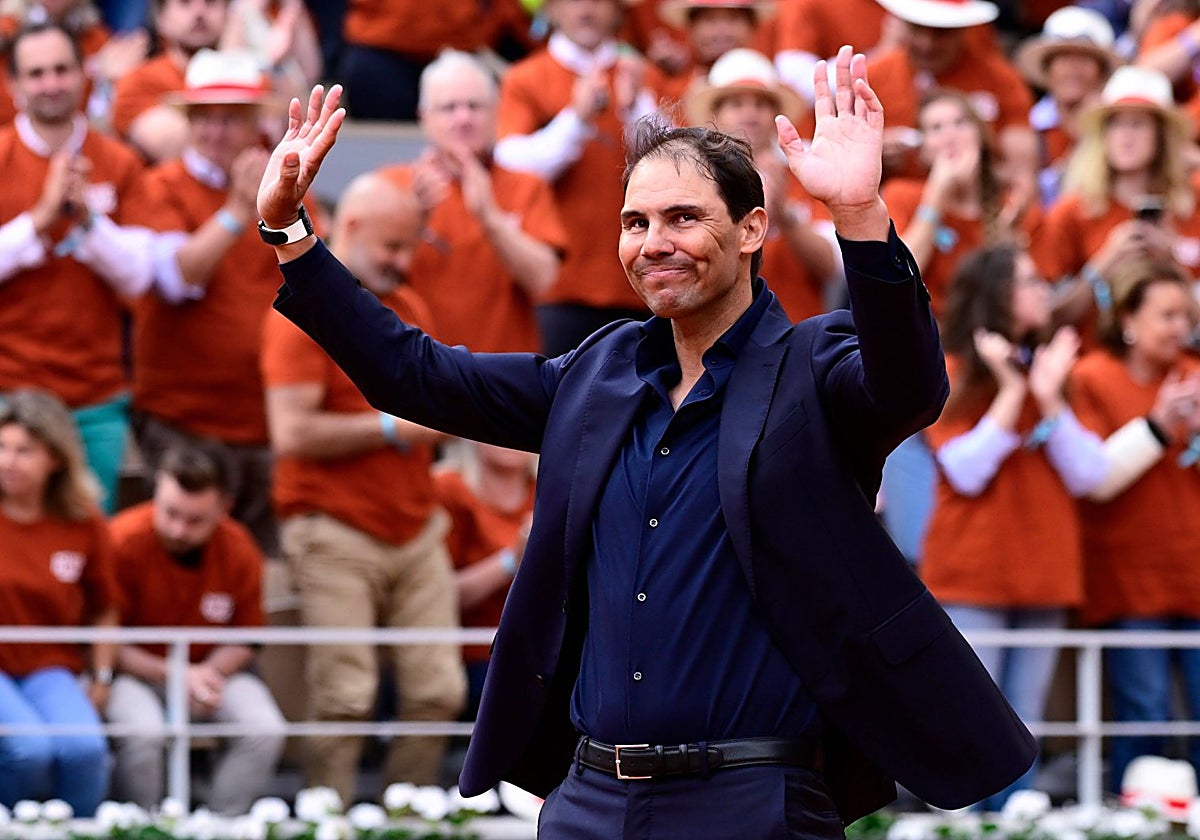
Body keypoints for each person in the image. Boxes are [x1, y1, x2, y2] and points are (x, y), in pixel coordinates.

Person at [257, 46, 1035, 833]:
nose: (653, 242)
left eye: (684, 217)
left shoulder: (813, 364)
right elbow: (414, 376)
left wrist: (861, 218)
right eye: (636, 222)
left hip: (755, 801)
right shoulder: (595, 375)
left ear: (752, 228)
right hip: (590, 801)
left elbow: (910, 386)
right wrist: (290, 232)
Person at [260, 172, 465, 804]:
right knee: (344, 695)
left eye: (409, 247)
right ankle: (332, 818)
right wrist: (391, 427)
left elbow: (435, 408)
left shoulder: (409, 304)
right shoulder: (299, 312)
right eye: (392, 248)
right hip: (331, 525)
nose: (403, 264)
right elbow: (290, 432)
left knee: (438, 691)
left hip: (414, 521)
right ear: (348, 230)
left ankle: (404, 813)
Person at [918, 244, 1102, 810]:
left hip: (1044, 574)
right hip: (973, 574)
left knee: (1025, 723)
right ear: (995, 294)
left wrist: (1046, 398)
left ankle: (1013, 824)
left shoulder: (1055, 373)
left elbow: (1089, 473)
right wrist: (1013, 392)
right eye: (1028, 282)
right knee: (971, 716)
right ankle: (964, 823)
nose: (1042, 290)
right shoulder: (949, 370)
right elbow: (965, 471)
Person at [125, 48, 299, 556]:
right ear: (190, 124)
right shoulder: (159, 185)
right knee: (180, 555)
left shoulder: (285, 192)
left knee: (253, 567)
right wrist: (236, 212)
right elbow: (177, 277)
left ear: (253, 125)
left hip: (261, 419)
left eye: (232, 119)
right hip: (183, 417)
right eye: (207, 119)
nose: (218, 132)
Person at [0, 21, 152, 512]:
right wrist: (39, 220)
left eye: (62, 69)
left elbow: (140, 276)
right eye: (37, 73)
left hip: (96, 396)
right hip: (9, 392)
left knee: (87, 542)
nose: (51, 84)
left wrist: (88, 223)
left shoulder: (119, 161)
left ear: (84, 74)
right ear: (14, 85)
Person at [1069, 257, 1200, 793]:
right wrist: (1159, 426)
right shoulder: (1092, 377)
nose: (1180, 328)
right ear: (1128, 319)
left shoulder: (1193, 373)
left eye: (1185, 316)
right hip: (1127, 581)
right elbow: (1093, 477)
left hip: (1192, 576)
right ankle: (1133, 820)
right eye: (1166, 315)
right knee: (1142, 713)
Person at [106, 443, 286, 815]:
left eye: (195, 520)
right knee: (144, 733)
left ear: (224, 508)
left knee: (265, 728)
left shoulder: (239, 548)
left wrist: (206, 673)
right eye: (170, 512)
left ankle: (219, 824)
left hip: (211, 672)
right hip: (135, 674)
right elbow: (105, 639)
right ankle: (146, 825)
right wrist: (174, 674)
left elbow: (248, 635)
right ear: (156, 491)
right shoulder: (121, 540)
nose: (178, 529)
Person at [493, 0, 656, 356]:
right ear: (549, 9)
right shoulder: (525, 77)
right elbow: (510, 165)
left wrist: (634, 111)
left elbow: (673, 166)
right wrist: (577, 121)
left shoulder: (640, 75)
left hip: (642, 281)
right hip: (558, 288)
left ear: (617, 11)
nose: (586, 9)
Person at [380, 48, 569, 354]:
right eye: (449, 107)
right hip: (417, 371)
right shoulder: (393, 187)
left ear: (496, 112)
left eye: (474, 106)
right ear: (424, 118)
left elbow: (544, 280)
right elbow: (361, 281)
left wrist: (490, 217)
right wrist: (411, 220)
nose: (463, 118)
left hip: (502, 375)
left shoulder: (525, 186)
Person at [0, 388, 118, 817]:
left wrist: (102, 676)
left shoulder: (83, 520)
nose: (8, 461)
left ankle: (79, 828)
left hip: (50, 666)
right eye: (2, 447)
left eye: (24, 451)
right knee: (29, 749)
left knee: (85, 748)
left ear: (55, 459)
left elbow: (105, 606)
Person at [684, 47, 839, 320]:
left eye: (760, 104)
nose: (750, 113)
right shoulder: (695, 179)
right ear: (715, 116)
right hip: (719, 330)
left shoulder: (805, 170)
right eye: (736, 104)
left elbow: (830, 267)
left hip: (797, 327)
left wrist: (783, 214)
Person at [865, 0, 1037, 196]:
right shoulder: (874, 77)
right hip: (896, 205)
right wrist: (873, 150)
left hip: (979, 204)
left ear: (963, 31)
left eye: (940, 32)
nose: (926, 43)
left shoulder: (1001, 80)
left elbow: (1022, 172)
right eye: (917, 28)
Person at [436, 441, 536, 718]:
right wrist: (512, 561)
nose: (509, 436)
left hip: (538, 652)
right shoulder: (448, 487)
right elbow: (439, 595)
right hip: (472, 654)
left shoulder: (555, 487)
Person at [1012, 6, 1122, 207]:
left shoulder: (1119, 124)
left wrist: (1094, 129)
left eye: (1083, 59)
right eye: (1063, 58)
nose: (1073, 68)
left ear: (1102, 72)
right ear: (1047, 69)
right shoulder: (1030, 124)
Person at [110, 0, 228, 162]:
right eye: (185, 3)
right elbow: (177, 149)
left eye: (210, 2)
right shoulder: (139, 81)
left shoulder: (252, 78)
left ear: (228, 14)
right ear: (161, 18)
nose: (199, 12)